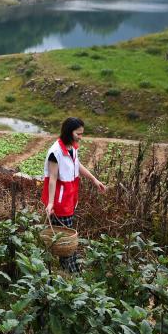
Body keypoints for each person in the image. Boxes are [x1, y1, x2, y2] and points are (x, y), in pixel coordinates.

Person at [40, 116, 107, 273]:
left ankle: (70, 269)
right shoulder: (55, 152)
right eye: (78, 134)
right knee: (65, 240)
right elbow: (52, 179)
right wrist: (50, 203)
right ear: (69, 132)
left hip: (69, 199)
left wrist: (94, 179)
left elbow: (77, 164)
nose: (80, 137)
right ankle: (71, 272)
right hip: (59, 202)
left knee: (65, 237)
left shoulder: (71, 147)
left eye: (82, 133)